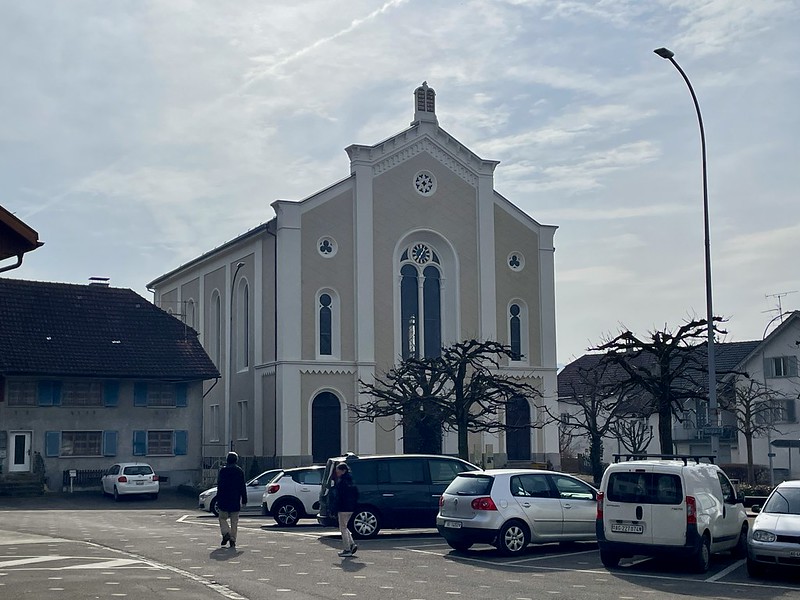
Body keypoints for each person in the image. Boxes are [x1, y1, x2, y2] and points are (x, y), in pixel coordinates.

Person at [216, 451, 247, 549]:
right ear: (236, 460)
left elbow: (220, 486)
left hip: (224, 499)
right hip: (235, 499)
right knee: (234, 521)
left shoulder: (223, 471)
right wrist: (244, 499)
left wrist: (218, 498)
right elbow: (242, 486)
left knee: (222, 518)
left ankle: (226, 533)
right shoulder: (239, 471)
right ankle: (233, 539)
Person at [331, 462, 359, 557]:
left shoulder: (342, 482)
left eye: (338, 471)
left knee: (343, 527)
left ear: (343, 471)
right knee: (345, 526)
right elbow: (356, 494)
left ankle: (347, 549)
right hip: (351, 507)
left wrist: (334, 508)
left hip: (343, 507)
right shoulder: (351, 480)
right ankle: (351, 544)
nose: (337, 473)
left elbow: (339, 496)